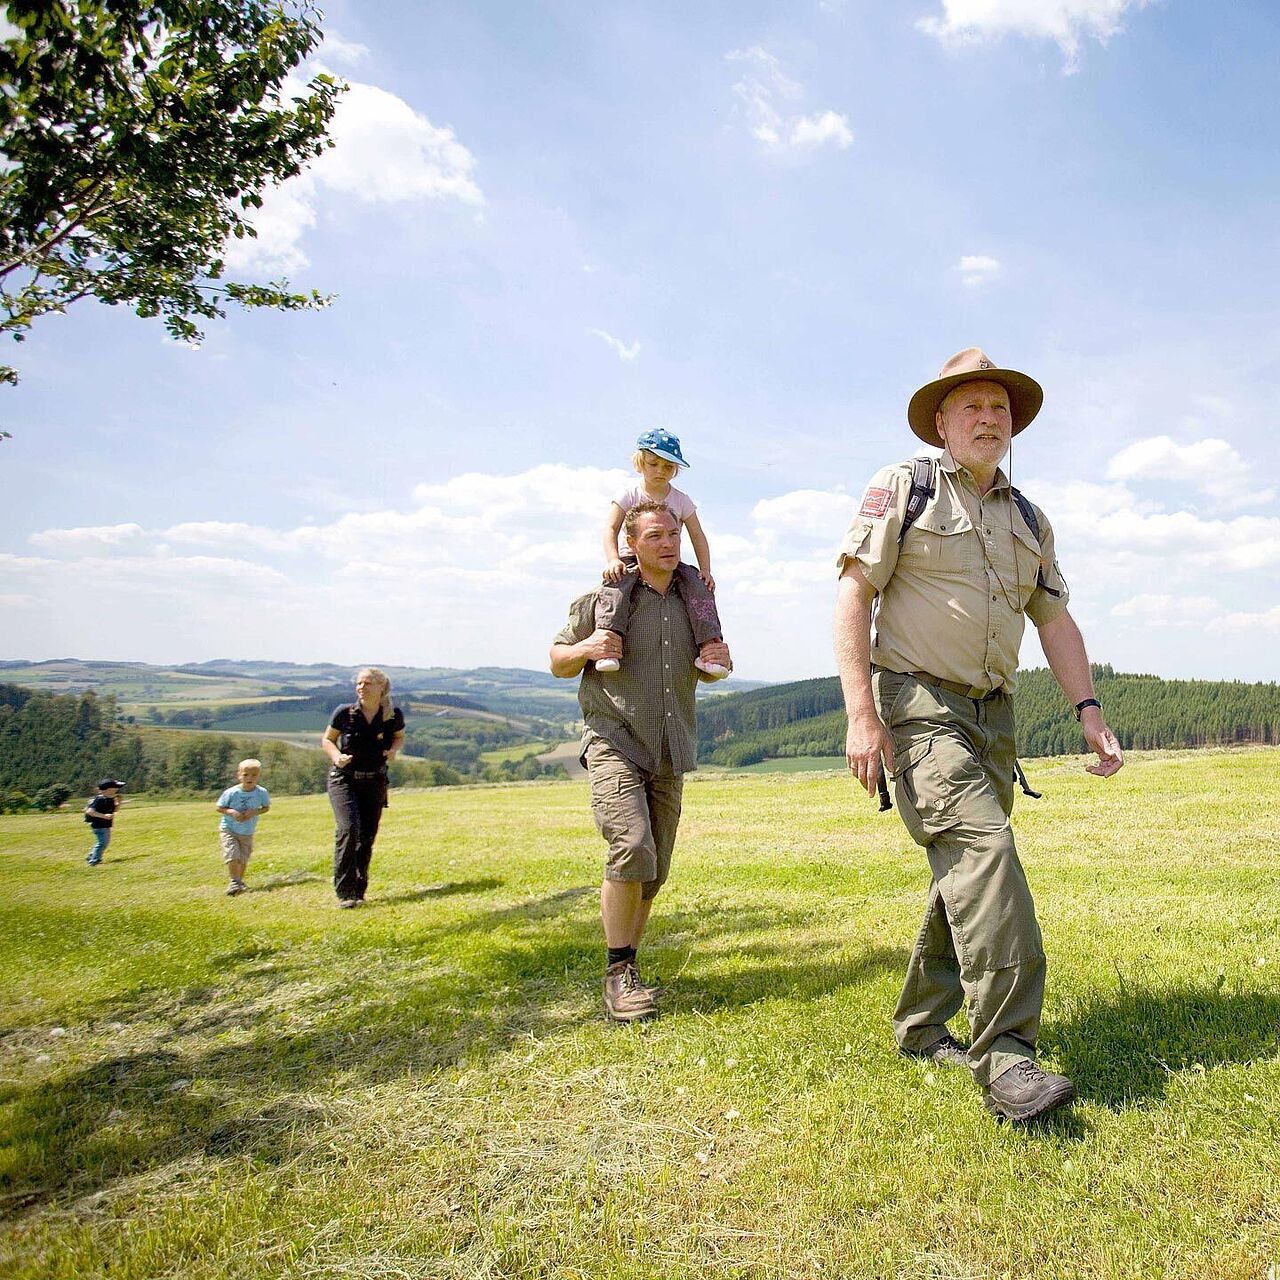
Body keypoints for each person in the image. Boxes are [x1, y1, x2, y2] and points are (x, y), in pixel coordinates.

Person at [833, 347, 1124, 1124]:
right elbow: (853, 593)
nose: (988, 417)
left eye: (1000, 406)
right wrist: (862, 714)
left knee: (965, 868)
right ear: (941, 421)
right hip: (918, 705)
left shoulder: (1029, 517)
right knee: (986, 856)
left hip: (994, 717)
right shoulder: (906, 487)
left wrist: (1088, 710)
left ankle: (925, 1027)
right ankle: (1007, 1059)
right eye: (971, 406)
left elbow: (1054, 618)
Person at [551, 500, 733, 1021]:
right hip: (614, 740)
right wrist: (588, 646)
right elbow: (558, 661)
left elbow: (699, 666)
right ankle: (618, 974)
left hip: (670, 746)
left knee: (654, 871)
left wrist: (719, 661)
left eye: (673, 533)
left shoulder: (692, 604)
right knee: (631, 846)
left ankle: (629, 963)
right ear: (631, 543)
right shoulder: (602, 598)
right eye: (655, 535)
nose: (669, 543)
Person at [595, 428, 729, 680]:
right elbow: (611, 528)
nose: (660, 471)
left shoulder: (681, 500)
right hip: (629, 559)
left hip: (668, 562)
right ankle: (609, 642)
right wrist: (613, 558)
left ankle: (710, 645)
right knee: (615, 589)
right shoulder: (629, 494)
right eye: (653, 463)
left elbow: (698, 535)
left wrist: (706, 570)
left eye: (668, 467)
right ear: (640, 462)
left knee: (699, 588)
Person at [321, 667, 405, 908]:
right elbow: (327, 739)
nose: (361, 687)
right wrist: (336, 757)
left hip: (375, 780)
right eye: (359, 683)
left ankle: (359, 890)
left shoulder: (392, 715)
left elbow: (399, 736)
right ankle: (345, 892)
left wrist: (393, 750)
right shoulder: (345, 713)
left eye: (367, 683)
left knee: (366, 836)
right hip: (344, 779)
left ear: (381, 687)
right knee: (349, 830)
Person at [215, 758, 271, 896]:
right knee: (232, 854)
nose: (249, 778)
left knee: (243, 858)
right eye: (246, 775)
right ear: (239, 775)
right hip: (229, 829)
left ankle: (239, 881)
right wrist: (231, 812)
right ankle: (234, 881)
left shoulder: (261, 792)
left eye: (254, 775)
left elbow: (266, 807)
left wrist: (255, 811)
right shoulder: (232, 792)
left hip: (247, 831)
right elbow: (219, 807)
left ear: (258, 776)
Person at [83, 777, 124, 866]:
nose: (118, 789)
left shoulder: (110, 799)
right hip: (99, 826)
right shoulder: (99, 799)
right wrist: (104, 816)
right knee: (103, 843)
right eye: (116, 787)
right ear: (109, 789)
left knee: (103, 842)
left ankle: (92, 855)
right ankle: (94, 860)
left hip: (105, 825)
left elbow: (114, 811)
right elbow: (90, 811)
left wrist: (119, 803)